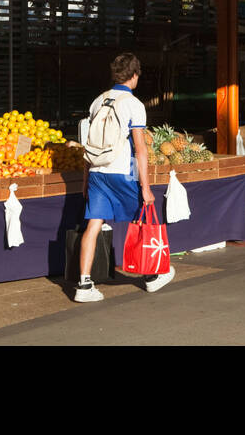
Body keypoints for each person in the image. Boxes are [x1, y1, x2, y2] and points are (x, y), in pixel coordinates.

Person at [74, 53, 174, 302]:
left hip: (97, 171)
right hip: (120, 171)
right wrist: (146, 187)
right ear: (135, 75)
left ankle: (83, 286)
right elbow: (141, 149)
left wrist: (86, 180)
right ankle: (151, 276)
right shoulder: (133, 104)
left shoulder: (98, 101)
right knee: (144, 219)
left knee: (93, 224)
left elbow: (90, 144)